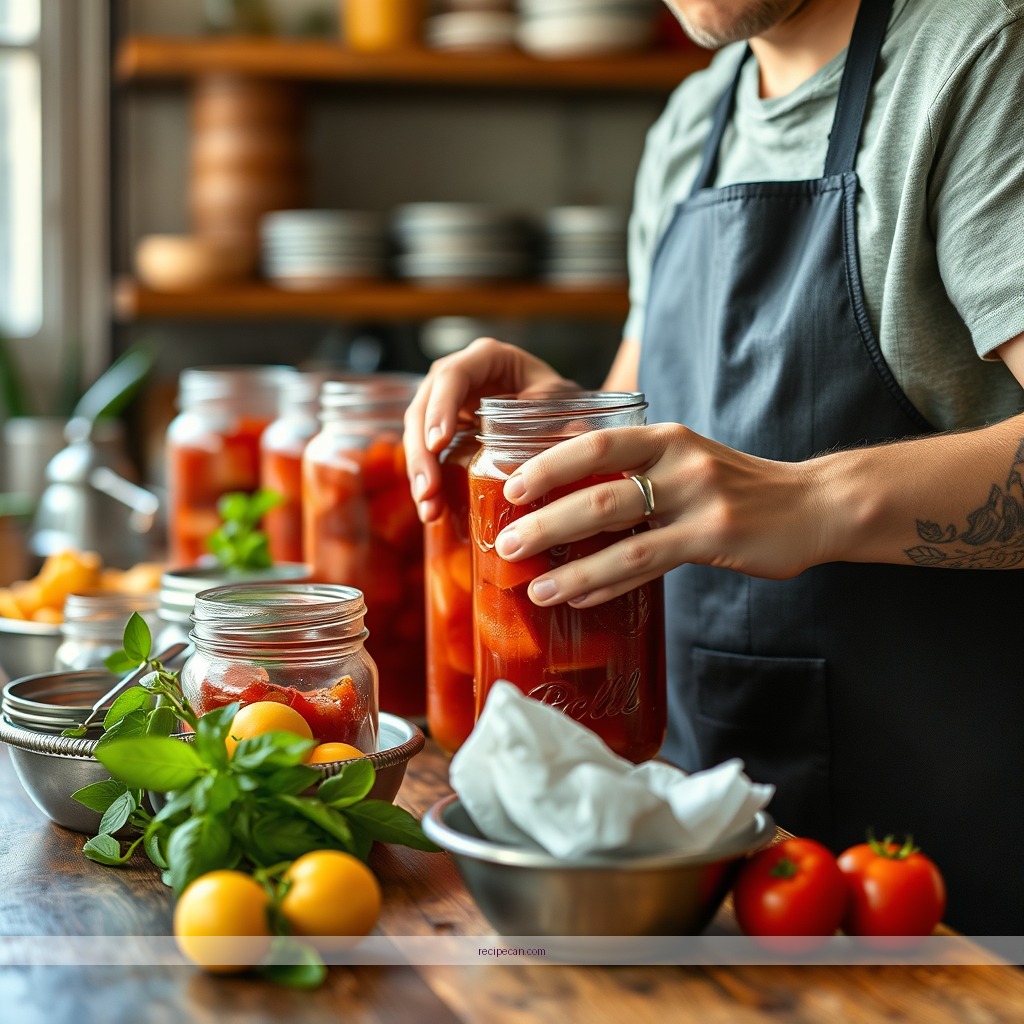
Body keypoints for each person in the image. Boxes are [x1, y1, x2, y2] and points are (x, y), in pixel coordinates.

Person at [403, 0, 1024, 935]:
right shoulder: (693, 122)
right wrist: (559, 418)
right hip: (695, 856)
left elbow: (760, 487)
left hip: (938, 876)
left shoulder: (978, 57)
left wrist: (811, 502)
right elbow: (645, 448)